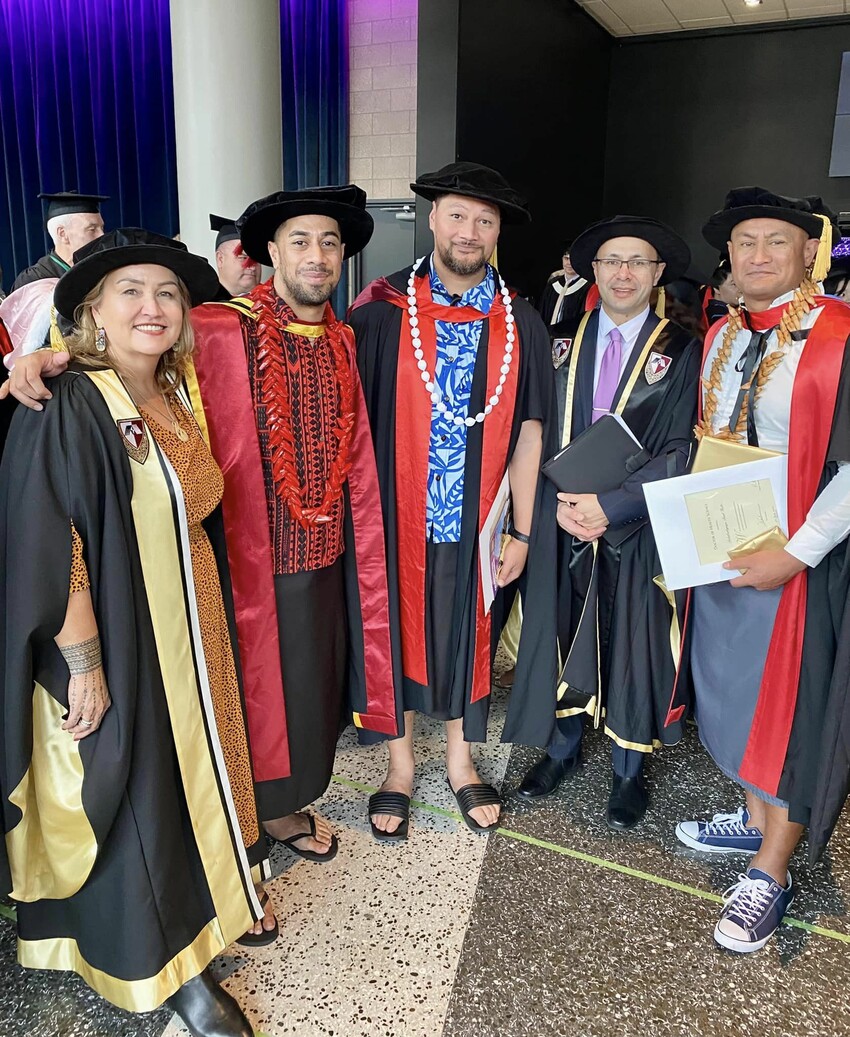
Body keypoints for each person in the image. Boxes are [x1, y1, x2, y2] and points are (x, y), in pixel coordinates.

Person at [2, 188, 399, 862]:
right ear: (269, 253)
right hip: (238, 559)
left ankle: (280, 806)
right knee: (240, 701)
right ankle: (248, 819)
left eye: (329, 243)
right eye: (299, 241)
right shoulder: (219, 325)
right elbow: (126, 363)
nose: (316, 255)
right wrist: (37, 357)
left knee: (308, 699)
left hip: (324, 551)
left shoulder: (343, 336)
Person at [0, 229, 267, 1036]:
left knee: (191, 782)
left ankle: (210, 919)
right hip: (122, 634)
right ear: (92, 313)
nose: (153, 307)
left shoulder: (171, 390)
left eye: (168, 293)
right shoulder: (72, 398)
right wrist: (85, 663)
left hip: (190, 624)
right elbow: (55, 540)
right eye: (131, 292)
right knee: (144, 794)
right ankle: (168, 969)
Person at [349, 161, 555, 841]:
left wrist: (522, 529)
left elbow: (529, 430)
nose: (470, 231)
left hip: (481, 521)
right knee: (398, 630)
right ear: (433, 219)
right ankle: (401, 766)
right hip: (398, 512)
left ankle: (462, 760)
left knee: (472, 633)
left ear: (497, 233)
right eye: (459, 215)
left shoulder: (519, 318)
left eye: (485, 220)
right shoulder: (381, 313)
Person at [671, 187, 850, 954]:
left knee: (791, 711)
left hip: (801, 561)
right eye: (745, 243)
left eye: (776, 242)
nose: (758, 257)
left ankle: (772, 870)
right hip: (727, 551)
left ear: (810, 250)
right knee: (737, 694)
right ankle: (751, 821)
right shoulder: (721, 337)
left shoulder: (841, 336)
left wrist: (798, 550)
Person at [504, 215, 702, 831]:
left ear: (657, 274)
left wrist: (612, 506)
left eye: (637, 262)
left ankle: (627, 768)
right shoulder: (556, 337)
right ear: (593, 270)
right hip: (559, 513)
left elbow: (681, 448)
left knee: (632, 637)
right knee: (561, 628)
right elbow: (528, 424)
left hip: (633, 523)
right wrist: (555, 504)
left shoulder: (681, 348)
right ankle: (560, 749)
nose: (623, 273)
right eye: (612, 261)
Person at [11, 191, 107, 291]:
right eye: (92, 229)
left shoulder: (101, 271)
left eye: (102, 228)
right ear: (63, 234)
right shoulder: (34, 281)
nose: (102, 235)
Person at [537, 243, 589, 325]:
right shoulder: (553, 284)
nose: (569, 263)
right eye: (566, 258)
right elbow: (542, 313)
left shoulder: (587, 287)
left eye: (573, 259)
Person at [210, 214, 261, 297]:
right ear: (220, 259)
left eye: (256, 259)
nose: (252, 267)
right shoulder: (202, 304)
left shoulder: (275, 303)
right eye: (243, 258)